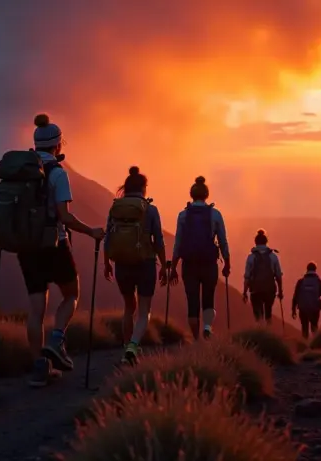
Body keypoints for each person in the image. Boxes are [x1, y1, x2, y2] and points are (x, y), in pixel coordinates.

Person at [19, 113, 105, 388]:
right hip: (54, 245)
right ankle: (57, 340)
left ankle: (39, 369)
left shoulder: (21, 171)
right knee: (71, 294)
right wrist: (91, 231)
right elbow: (64, 217)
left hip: (26, 247)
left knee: (36, 309)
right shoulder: (58, 174)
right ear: (57, 146)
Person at [103, 166, 167, 365]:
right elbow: (159, 240)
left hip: (122, 264)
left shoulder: (116, 207)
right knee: (144, 310)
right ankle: (133, 346)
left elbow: (108, 238)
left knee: (128, 307)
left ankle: (126, 350)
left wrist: (106, 263)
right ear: (144, 188)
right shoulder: (150, 209)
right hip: (145, 263)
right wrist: (164, 265)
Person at [169, 176, 230, 340]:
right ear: (206, 195)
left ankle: (196, 339)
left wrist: (173, 267)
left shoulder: (183, 215)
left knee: (192, 301)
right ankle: (208, 327)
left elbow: (178, 243)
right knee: (209, 297)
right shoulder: (215, 214)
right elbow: (223, 241)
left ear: (191, 194)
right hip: (209, 263)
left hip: (189, 264)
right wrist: (227, 263)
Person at [242, 229, 284, 324]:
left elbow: (247, 276)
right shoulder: (273, 256)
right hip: (269, 289)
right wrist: (280, 291)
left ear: (255, 242)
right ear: (266, 242)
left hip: (255, 289)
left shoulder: (251, 257)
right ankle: (268, 333)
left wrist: (244, 292)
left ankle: (260, 333)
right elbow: (278, 275)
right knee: (268, 312)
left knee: (258, 315)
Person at [291, 262, 321, 339]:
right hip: (314, 309)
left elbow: (295, 297)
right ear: (315, 270)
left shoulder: (300, 282)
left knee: (304, 328)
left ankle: (305, 345)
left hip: (303, 309)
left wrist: (293, 310)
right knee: (314, 328)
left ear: (307, 269)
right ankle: (314, 345)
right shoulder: (320, 282)